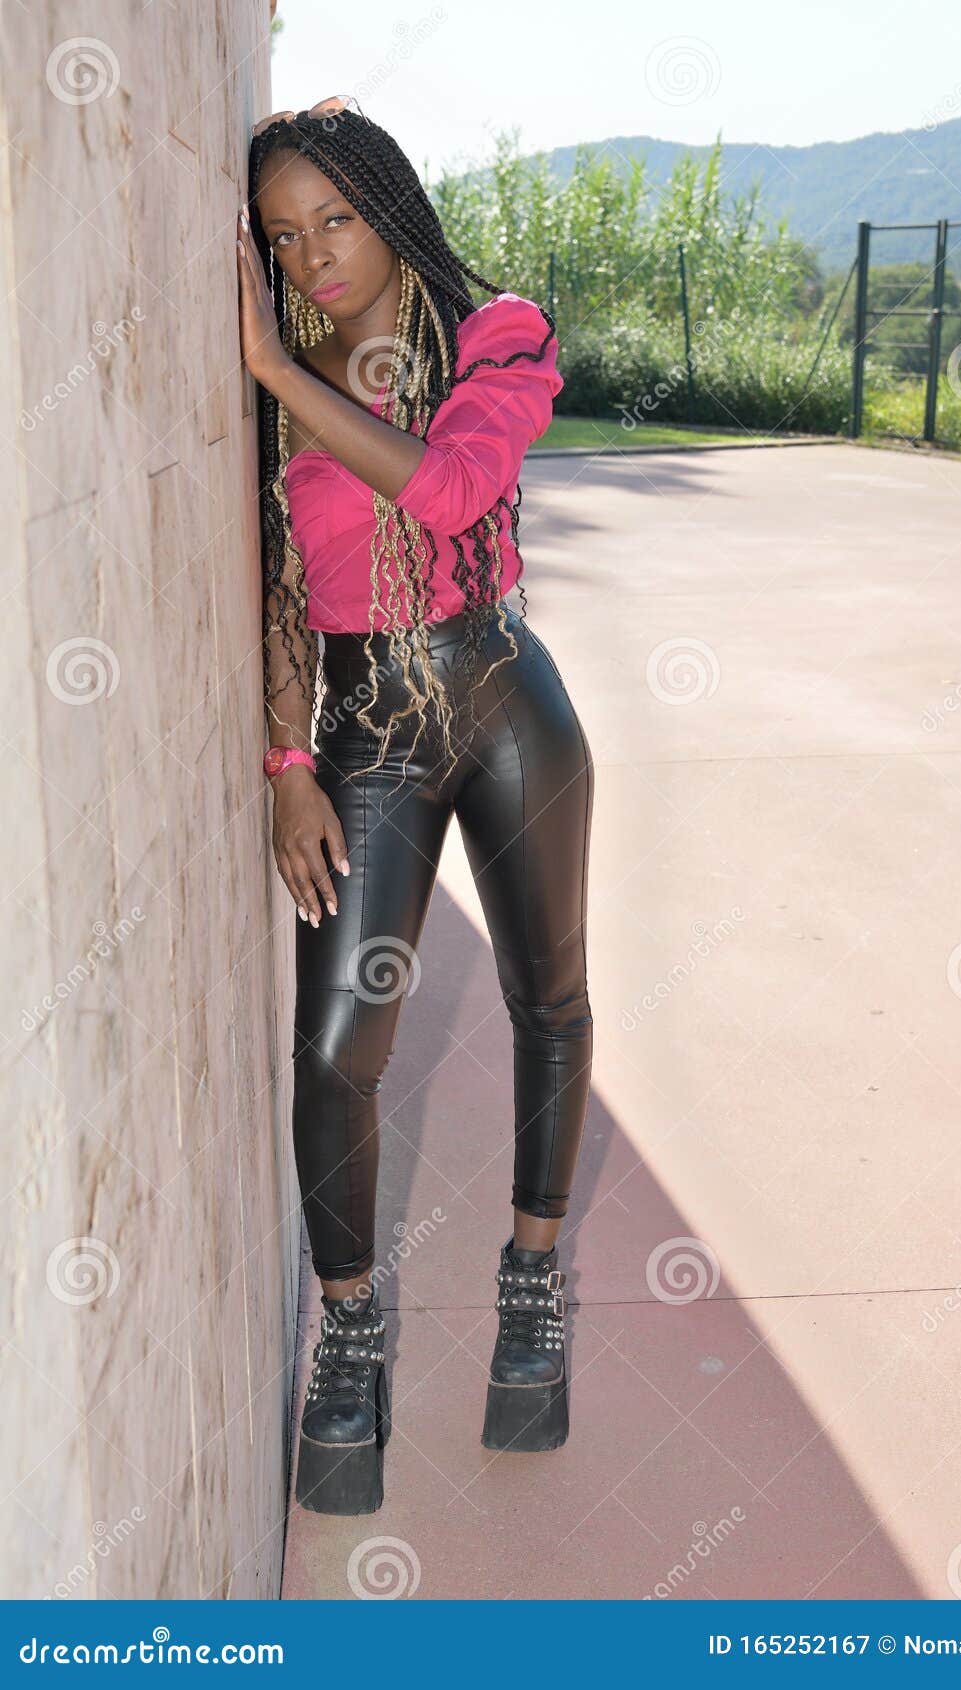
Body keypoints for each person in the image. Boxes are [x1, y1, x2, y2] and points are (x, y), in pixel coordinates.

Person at [237, 97, 594, 1514]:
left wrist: (278, 370)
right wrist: (287, 768)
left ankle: (532, 1283)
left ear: (388, 205)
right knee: (337, 1049)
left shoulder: (497, 332)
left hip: (504, 702)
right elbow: (271, 585)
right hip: (365, 731)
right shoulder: (270, 386)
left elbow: (453, 491)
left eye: (335, 217)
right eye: (283, 236)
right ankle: (353, 1329)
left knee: (547, 998)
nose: (314, 255)